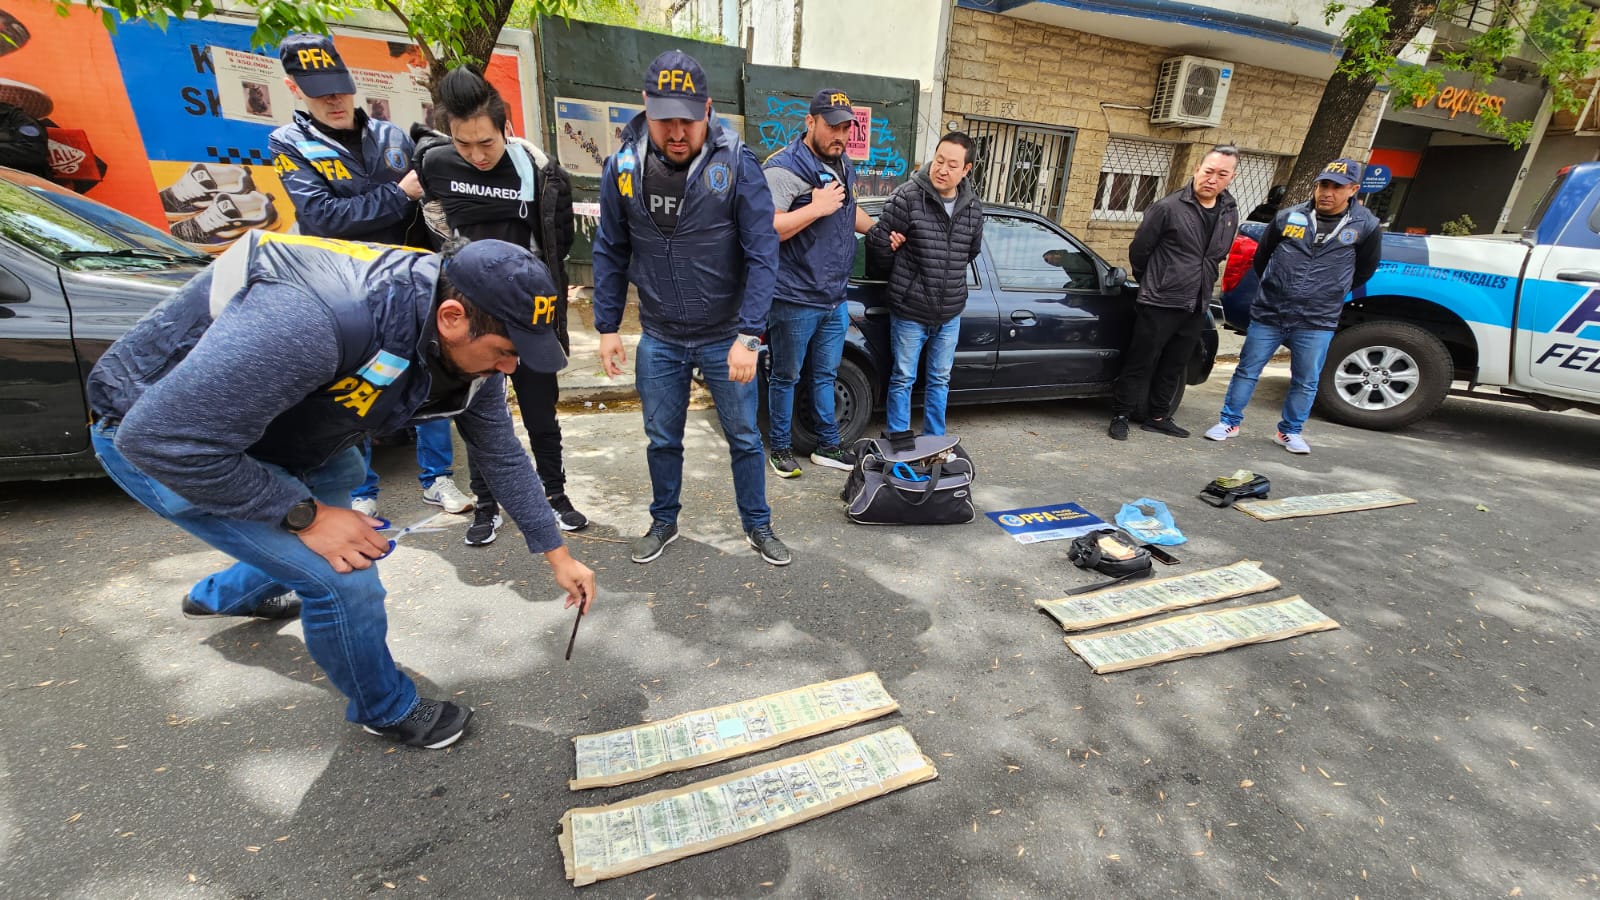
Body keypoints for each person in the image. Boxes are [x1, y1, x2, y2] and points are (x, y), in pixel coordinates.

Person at [85, 233, 597, 750]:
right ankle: (385, 707)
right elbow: (157, 439)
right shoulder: (313, 321)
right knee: (341, 578)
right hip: (171, 445)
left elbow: (500, 452)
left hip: (285, 427)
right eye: (506, 352)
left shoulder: (468, 335)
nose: (511, 368)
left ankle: (217, 595)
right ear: (451, 318)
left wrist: (557, 554)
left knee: (343, 501)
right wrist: (304, 516)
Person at [591, 50, 788, 566]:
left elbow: (763, 253)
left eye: (686, 118)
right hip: (658, 334)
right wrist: (607, 327)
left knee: (745, 436)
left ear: (706, 109)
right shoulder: (623, 166)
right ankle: (664, 520)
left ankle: (759, 525)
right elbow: (610, 247)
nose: (676, 132)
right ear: (645, 108)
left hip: (726, 333)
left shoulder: (737, 163)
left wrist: (750, 335)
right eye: (664, 119)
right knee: (661, 438)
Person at [267, 33, 472, 519]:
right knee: (352, 389)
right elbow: (322, 216)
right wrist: (398, 195)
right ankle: (360, 488)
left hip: (406, 282)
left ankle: (438, 478)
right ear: (295, 88)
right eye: (320, 91)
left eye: (339, 86)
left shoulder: (391, 136)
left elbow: (422, 207)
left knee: (427, 375)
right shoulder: (288, 143)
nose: (334, 99)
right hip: (342, 288)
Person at [413, 65, 589, 545]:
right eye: (463, 143)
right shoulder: (435, 165)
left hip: (526, 312)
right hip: (468, 322)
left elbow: (558, 237)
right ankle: (486, 506)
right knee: (479, 416)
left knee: (540, 412)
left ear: (505, 129)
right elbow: (430, 226)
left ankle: (555, 495)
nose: (476, 154)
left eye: (485, 143)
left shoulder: (534, 167)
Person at [1204, 158, 1383, 454]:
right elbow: (1262, 259)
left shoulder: (1366, 225)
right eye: (1323, 185)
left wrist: (1329, 292)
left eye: (1337, 187)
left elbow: (1364, 270)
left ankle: (1289, 431)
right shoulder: (1289, 217)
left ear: (1353, 189)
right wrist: (1277, 285)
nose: (1327, 192)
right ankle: (1229, 422)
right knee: (1247, 370)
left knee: (1306, 379)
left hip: (1317, 319)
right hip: (1271, 312)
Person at [762, 87, 876, 478]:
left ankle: (828, 445)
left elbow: (849, 213)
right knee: (786, 375)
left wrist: (878, 229)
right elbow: (769, 229)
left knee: (826, 374)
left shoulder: (843, 164)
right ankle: (779, 448)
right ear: (810, 122)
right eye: (832, 127)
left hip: (833, 297)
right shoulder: (783, 167)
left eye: (846, 128)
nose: (840, 136)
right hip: (794, 296)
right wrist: (816, 207)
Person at [1108, 145, 1240, 441]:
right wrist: (1154, 281)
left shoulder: (1228, 212)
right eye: (1208, 171)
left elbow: (1217, 254)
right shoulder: (1168, 207)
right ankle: (1121, 414)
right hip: (1159, 300)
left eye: (1221, 174)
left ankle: (1158, 416)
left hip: (1196, 301)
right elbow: (1139, 250)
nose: (1212, 179)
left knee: (1175, 363)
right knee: (1141, 361)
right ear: (1197, 169)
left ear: (1230, 177)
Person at [864, 132, 984, 437]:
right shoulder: (907, 196)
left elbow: (971, 251)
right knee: (903, 377)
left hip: (950, 312)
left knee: (940, 380)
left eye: (952, 165)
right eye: (939, 160)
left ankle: (934, 444)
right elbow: (877, 246)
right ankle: (899, 441)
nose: (942, 169)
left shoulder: (972, 208)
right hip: (910, 309)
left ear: (966, 170)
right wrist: (887, 244)